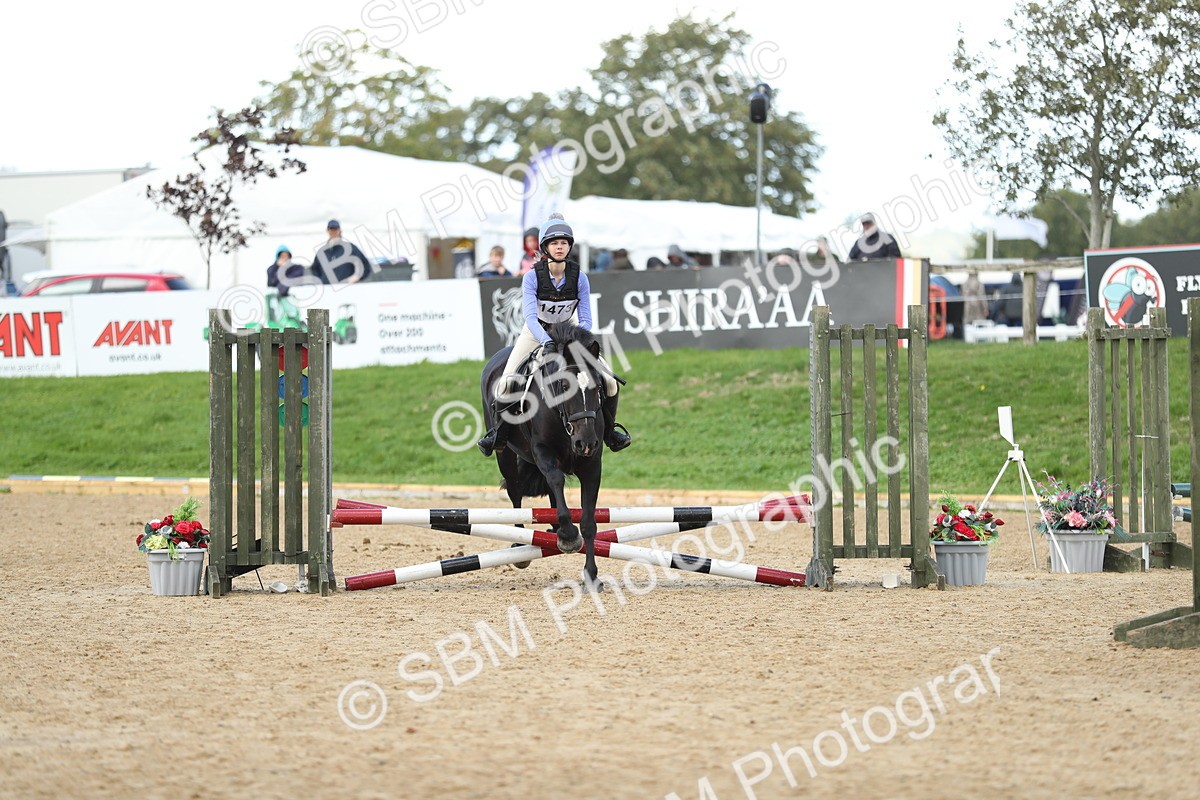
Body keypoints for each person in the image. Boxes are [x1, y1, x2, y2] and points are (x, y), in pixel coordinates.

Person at [477, 212, 632, 456]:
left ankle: (611, 432)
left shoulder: (579, 277)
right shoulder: (531, 277)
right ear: (545, 247)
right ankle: (499, 434)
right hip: (536, 331)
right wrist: (547, 341)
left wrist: (580, 340)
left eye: (564, 243)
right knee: (506, 384)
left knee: (610, 381)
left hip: (569, 330)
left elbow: (587, 318)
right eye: (554, 243)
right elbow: (530, 317)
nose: (560, 247)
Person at [315, 219, 372, 284]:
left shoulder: (350, 248)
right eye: (331, 229)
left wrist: (357, 277)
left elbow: (366, 265)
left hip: (347, 289)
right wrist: (322, 281)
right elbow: (315, 269)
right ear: (327, 231)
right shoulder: (322, 252)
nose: (333, 232)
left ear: (340, 231)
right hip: (328, 290)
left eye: (335, 229)